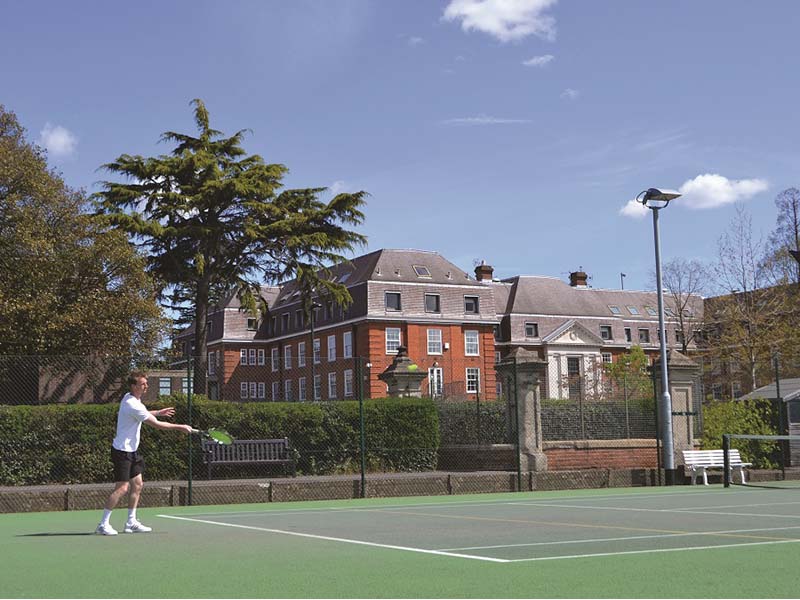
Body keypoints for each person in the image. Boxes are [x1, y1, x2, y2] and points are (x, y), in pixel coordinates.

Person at [95, 371, 193, 535]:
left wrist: (157, 412)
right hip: (122, 451)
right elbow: (157, 425)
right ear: (134, 386)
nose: (146, 386)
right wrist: (180, 427)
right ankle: (103, 524)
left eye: (146, 383)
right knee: (122, 488)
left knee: (138, 484)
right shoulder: (132, 403)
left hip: (132, 450)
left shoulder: (132, 399)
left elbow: (145, 413)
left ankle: (131, 522)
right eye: (143, 384)